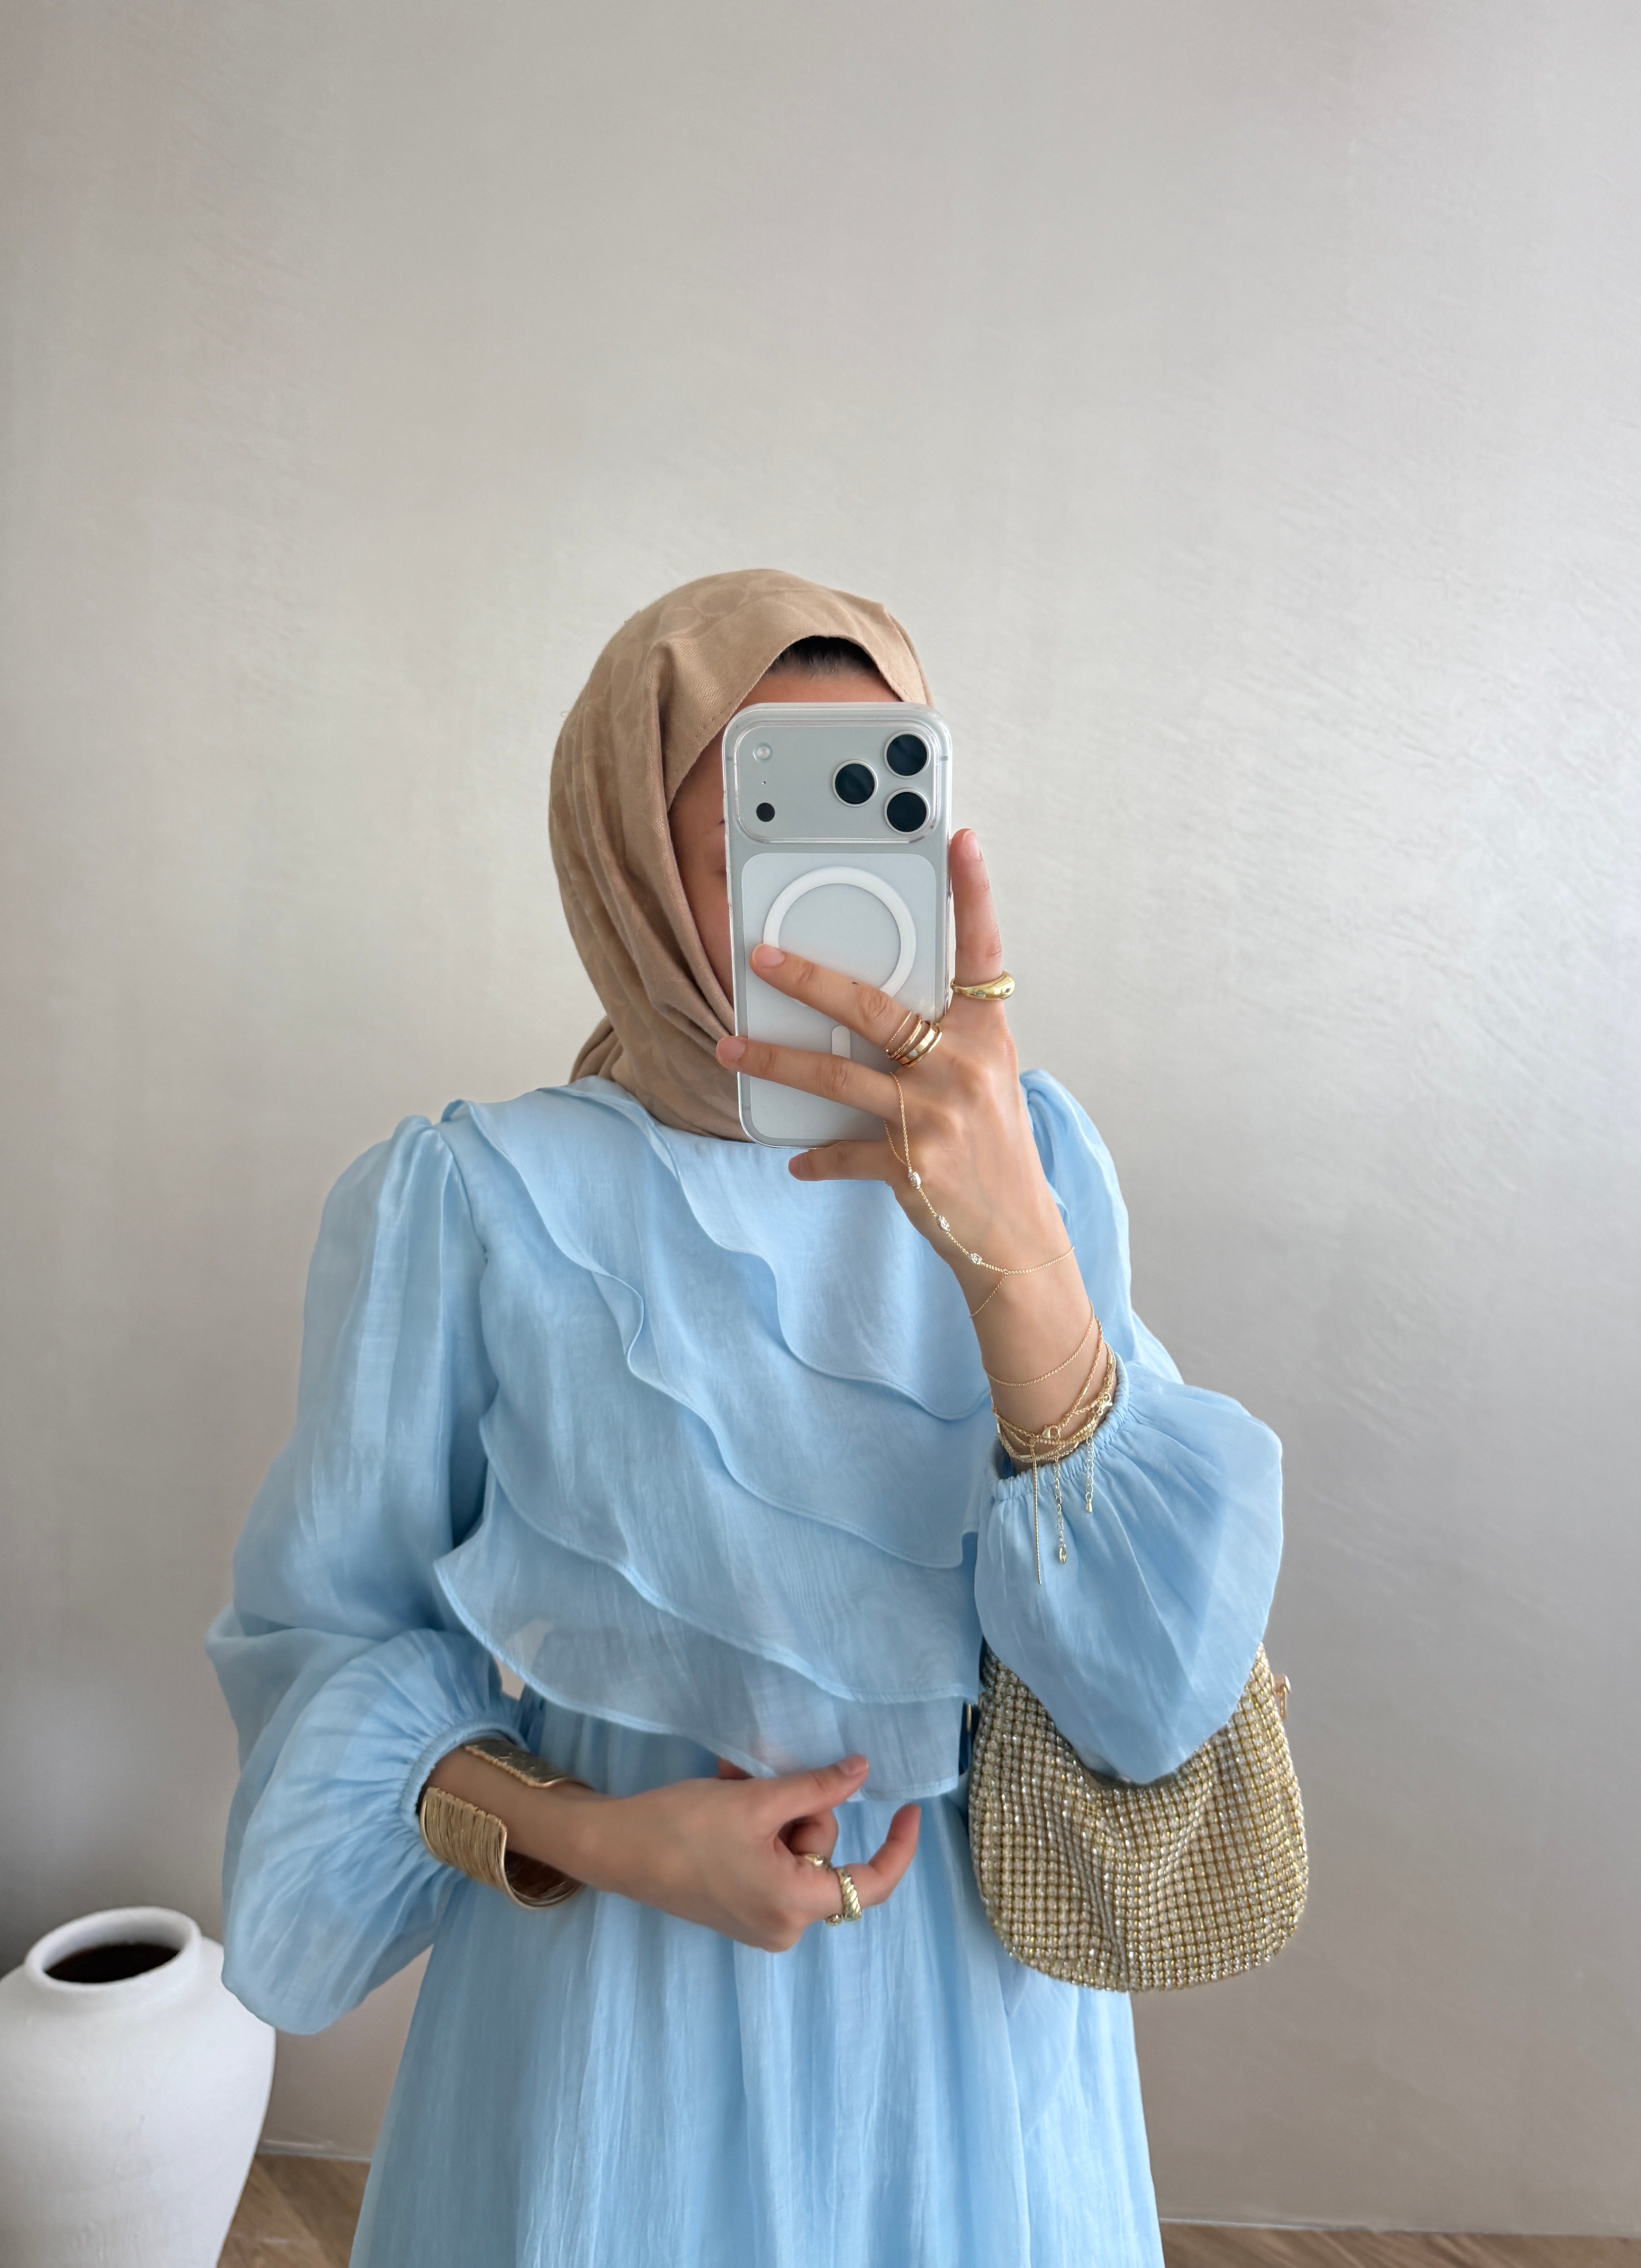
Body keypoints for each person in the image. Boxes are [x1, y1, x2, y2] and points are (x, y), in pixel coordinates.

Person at [208, 567, 1283, 2268]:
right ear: (631, 872)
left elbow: (1157, 1695)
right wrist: (601, 1838)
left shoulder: (1041, 1163)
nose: (836, 904)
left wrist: (1014, 1252)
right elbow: (324, 1658)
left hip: (984, 2055)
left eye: (883, 822)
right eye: (767, 837)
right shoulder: (472, 1205)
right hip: (613, 2032)